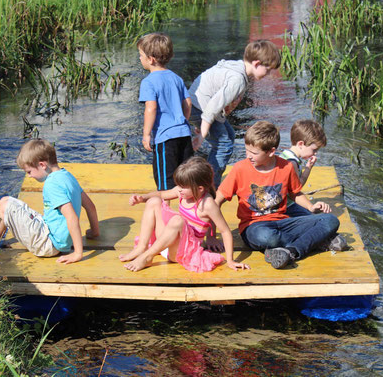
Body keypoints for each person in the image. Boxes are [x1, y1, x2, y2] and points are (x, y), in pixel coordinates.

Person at [216, 121, 348, 270]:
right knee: (267, 237)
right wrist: (211, 235)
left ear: (271, 151)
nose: (248, 156)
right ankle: (315, 241)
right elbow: (216, 201)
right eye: (247, 151)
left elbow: (296, 193)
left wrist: (311, 206)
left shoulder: (286, 167)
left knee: (330, 220)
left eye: (254, 153)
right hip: (254, 226)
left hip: (284, 222)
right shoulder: (240, 168)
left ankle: (290, 251)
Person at [0, 139, 99, 264]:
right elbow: (91, 207)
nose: (29, 176)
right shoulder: (68, 176)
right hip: (54, 237)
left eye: (29, 172)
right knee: (11, 204)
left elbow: (71, 217)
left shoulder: (52, 184)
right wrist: (94, 232)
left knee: (4, 206)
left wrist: (78, 253)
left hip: (49, 244)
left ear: (42, 165)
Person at [121, 156, 249, 272]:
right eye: (178, 185)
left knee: (178, 220)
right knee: (154, 201)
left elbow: (225, 231)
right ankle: (142, 247)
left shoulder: (208, 204)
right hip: (164, 243)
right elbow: (161, 194)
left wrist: (231, 260)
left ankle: (147, 256)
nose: (179, 189)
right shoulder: (183, 191)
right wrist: (142, 198)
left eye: (182, 187)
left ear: (200, 188)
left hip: (181, 252)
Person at [189, 39, 281, 187]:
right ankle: (208, 188)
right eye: (268, 69)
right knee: (223, 145)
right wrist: (202, 134)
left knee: (230, 136)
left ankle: (208, 179)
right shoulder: (237, 79)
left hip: (198, 104)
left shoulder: (239, 68)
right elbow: (212, 107)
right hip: (201, 107)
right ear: (257, 63)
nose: (269, 74)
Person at [137, 32, 194, 191]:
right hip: (184, 133)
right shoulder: (176, 78)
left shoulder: (148, 82)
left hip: (165, 137)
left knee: (165, 181)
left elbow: (151, 108)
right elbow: (187, 104)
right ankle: (189, 209)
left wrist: (146, 134)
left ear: (151, 59)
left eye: (140, 55)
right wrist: (183, 121)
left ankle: (164, 211)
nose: (139, 58)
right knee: (187, 177)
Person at [279, 119, 327, 218]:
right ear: (301, 144)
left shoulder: (284, 155)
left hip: (281, 203)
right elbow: (297, 188)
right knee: (314, 218)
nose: (315, 153)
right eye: (314, 150)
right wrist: (308, 168)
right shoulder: (292, 163)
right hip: (286, 207)